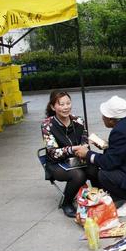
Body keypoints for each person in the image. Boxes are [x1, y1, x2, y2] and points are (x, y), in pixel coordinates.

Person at [41, 90, 99, 218]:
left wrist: (86, 145)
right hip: (57, 163)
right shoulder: (47, 125)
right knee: (78, 175)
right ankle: (66, 203)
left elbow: (84, 138)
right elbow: (53, 152)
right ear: (53, 107)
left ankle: (99, 198)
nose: (66, 107)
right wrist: (73, 149)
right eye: (61, 104)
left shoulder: (78, 120)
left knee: (94, 168)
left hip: (78, 159)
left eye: (68, 103)